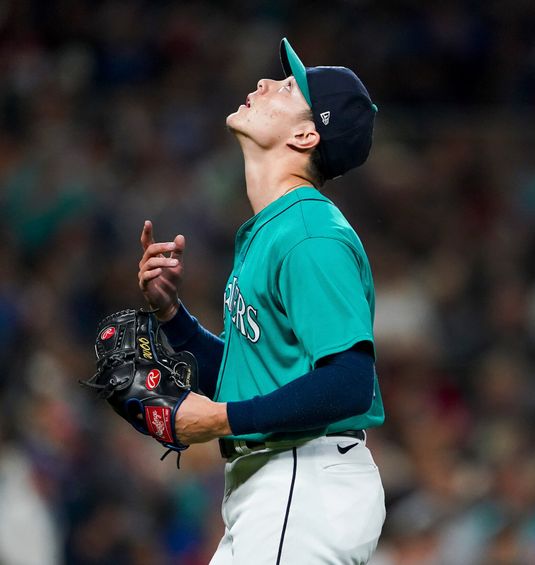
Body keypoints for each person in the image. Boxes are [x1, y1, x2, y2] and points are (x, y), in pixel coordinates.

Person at [137, 38, 385, 564]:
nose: (263, 84)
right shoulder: (275, 229)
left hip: (304, 478)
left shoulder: (310, 234)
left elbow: (349, 382)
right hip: (278, 485)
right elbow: (244, 373)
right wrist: (172, 317)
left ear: (305, 133)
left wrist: (219, 419)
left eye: (288, 86)